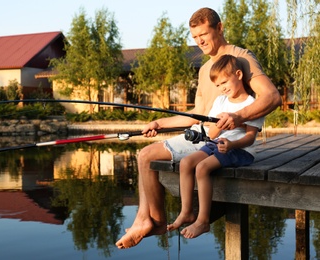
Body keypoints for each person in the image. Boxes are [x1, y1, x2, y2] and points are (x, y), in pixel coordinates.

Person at [116, 7, 281, 249]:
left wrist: (237, 116)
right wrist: (159, 124)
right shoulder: (206, 70)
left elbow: (272, 97)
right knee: (145, 155)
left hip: (221, 141)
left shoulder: (241, 57)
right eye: (194, 37)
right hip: (204, 136)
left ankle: (149, 220)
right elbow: (196, 117)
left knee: (146, 155)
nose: (199, 41)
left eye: (203, 34)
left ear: (220, 28)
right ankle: (153, 220)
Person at [166, 54, 264, 239]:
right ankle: (186, 212)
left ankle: (203, 221)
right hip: (217, 144)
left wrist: (232, 143)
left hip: (240, 150)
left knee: (202, 168)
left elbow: (251, 138)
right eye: (218, 85)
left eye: (225, 82)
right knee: (187, 163)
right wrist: (218, 126)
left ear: (238, 74)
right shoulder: (220, 101)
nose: (222, 88)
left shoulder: (252, 104)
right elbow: (211, 134)